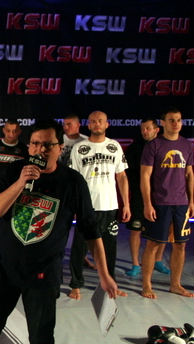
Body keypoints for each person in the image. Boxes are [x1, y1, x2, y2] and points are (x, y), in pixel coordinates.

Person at [0, 119, 118, 344]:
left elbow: (91, 230)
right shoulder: (15, 172)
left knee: (41, 342)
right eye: (35, 144)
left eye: (48, 145)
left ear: (60, 148)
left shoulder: (73, 182)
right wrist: (20, 183)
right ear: (29, 146)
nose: (40, 150)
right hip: (4, 269)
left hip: (43, 274)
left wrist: (104, 275)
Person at [67, 111, 130, 300]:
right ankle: (76, 285)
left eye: (100, 121)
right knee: (80, 247)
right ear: (88, 125)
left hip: (109, 205)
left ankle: (110, 284)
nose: (97, 124)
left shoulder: (114, 146)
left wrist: (126, 204)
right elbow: (73, 180)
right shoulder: (80, 148)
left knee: (109, 249)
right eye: (93, 121)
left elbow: (122, 176)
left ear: (107, 124)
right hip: (87, 207)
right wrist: (75, 205)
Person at [140, 107, 194, 299]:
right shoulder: (154, 145)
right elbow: (145, 176)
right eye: (171, 120)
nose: (176, 123)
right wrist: (148, 204)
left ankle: (175, 284)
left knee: (181, 245)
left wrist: (191, 200)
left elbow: (189, 174)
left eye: (179, 120)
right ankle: (146, 284)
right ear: (162, 123)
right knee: (153, 244)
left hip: (181, 203)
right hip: (160, 203)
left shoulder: (186, 145)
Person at [124, 119, 169, 278]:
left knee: (162, 229)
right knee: (136, 229)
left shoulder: (165, 146)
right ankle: (136, 264)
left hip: (160, 195)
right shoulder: (135, 148)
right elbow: (128, 173)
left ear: (157, 130)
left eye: (148, 128)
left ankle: (158, 260)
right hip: (139, 195)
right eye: (142, 129)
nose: (144, 131)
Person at [59, 113, 96, 270]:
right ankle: (56, 255)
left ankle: (82, 256)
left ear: (78, 125)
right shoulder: (58, 139)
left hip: (80, 187)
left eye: (69, 124)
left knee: (83, 225)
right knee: (60, 223)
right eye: (64, 124)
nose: (66, 127)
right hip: (60, 186)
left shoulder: (86, 141)